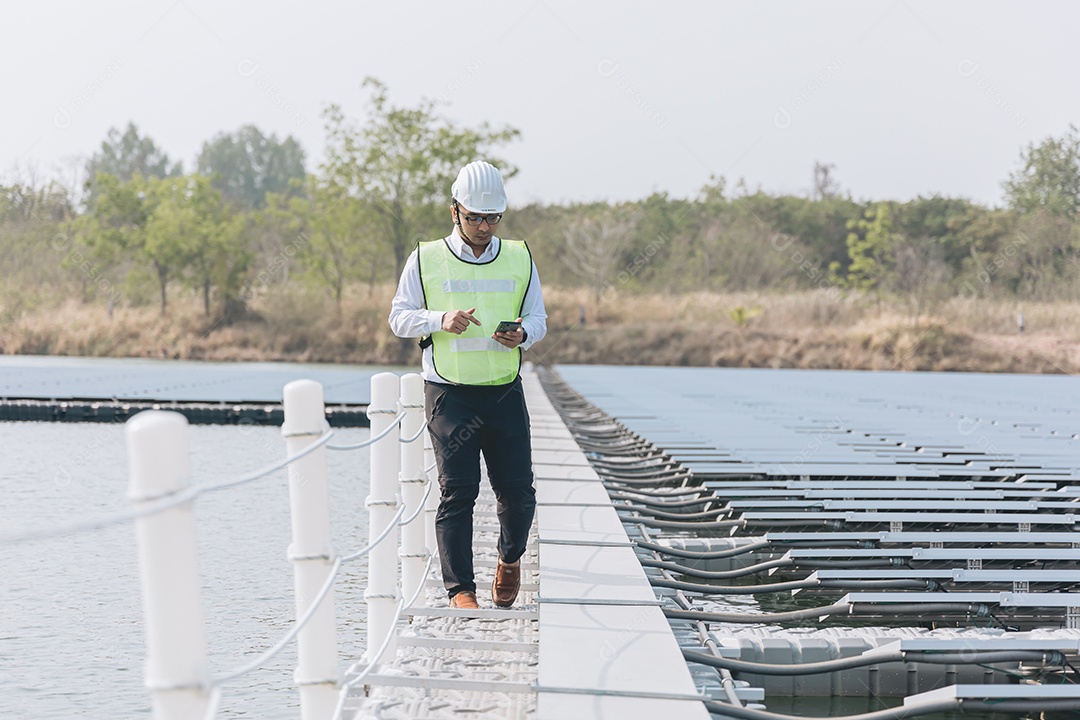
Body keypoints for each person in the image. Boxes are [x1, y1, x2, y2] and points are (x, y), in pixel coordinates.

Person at [388, 160, 547, 610]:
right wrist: (440, 319)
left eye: (492, 218)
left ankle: (509, 559)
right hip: (449, 391)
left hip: (503, 389)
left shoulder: (519, 256)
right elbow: (398, 317)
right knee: (459, 491)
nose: (483, 226)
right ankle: (461, 590)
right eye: (475, 216)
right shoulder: (425, 258)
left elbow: (539, 319)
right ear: (454, 210)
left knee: (518, 494)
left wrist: (524, 334)